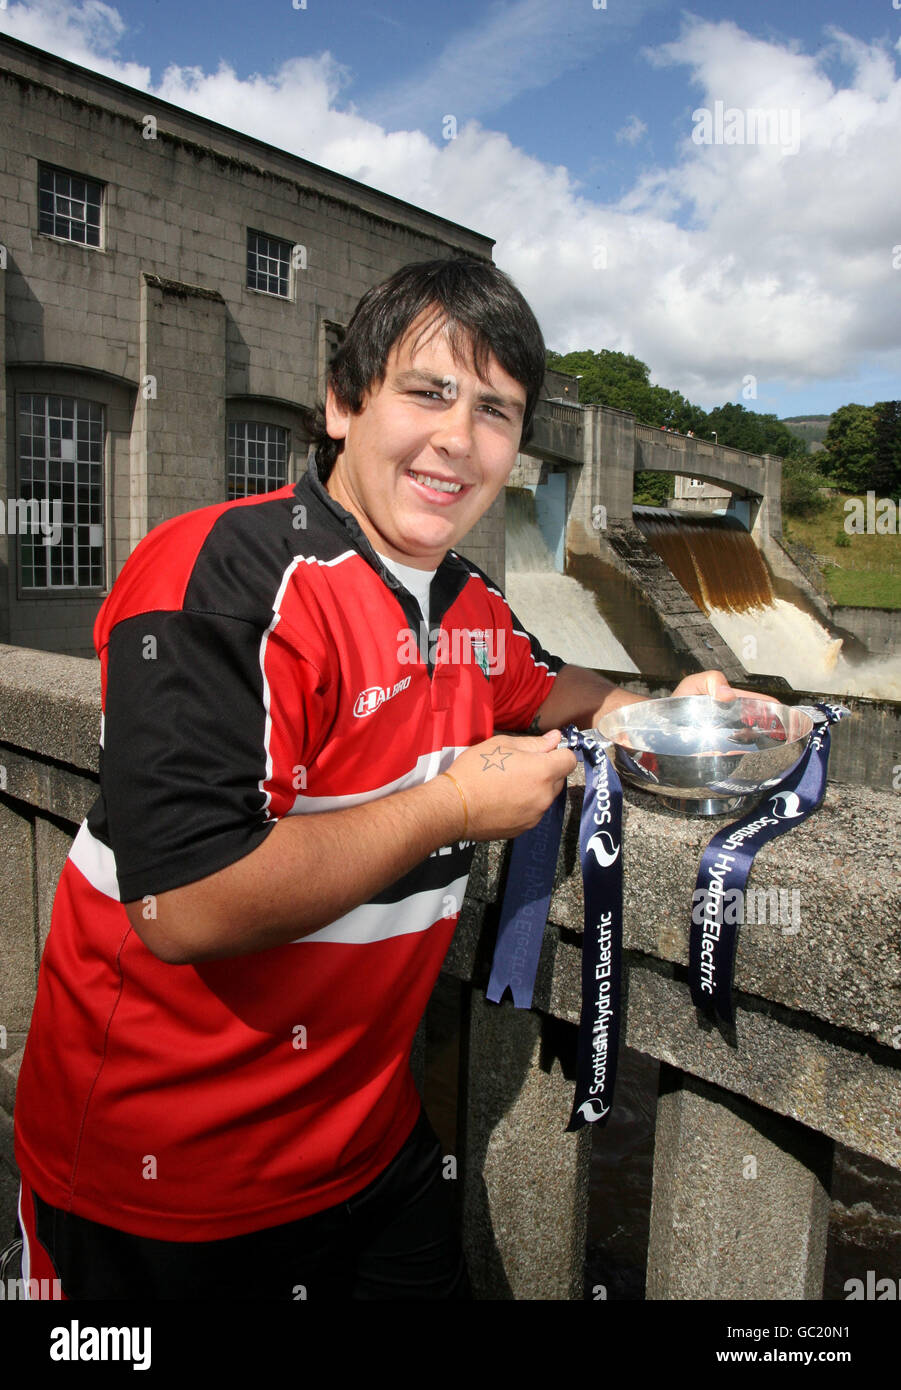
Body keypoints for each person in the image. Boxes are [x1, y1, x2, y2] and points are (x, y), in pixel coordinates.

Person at [13, 257, 744, 1300]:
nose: (460, 438)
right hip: (159, 1180)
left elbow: (556, 690)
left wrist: (658, 705)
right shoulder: (218, 572)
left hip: (365, 1150)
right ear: (343, 403)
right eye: (429, 391)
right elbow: (185, 900)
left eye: (496, 410)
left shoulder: (468, 605)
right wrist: (452, 805)